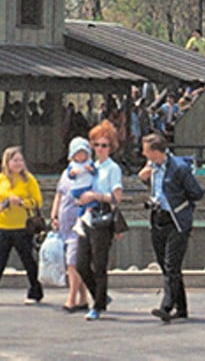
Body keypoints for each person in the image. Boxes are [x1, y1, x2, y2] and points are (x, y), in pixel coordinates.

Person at [138, 132, 205, 323]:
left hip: (176, 221)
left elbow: (197, 193)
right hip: (158, 219)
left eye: (146, 151)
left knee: (171, 264)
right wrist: (144, 178)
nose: (144, 155)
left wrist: (182, 206)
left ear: (155, 151)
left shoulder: (179, 168)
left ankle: (166, 306)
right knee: (166, 265)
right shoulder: (152, 168)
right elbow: (155, 187)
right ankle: (182, 308)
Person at [0, 145, 44, 305]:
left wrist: (21, 202)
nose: (18, 163)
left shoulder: (29, 180)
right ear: (7, 162)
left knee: (28, 261)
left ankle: (35, 292)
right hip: (2, 227)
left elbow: (37, 202)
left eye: (20, 160)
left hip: (22, 228)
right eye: (15, 160)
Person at [75, 120, 124, 321]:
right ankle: (99, 295)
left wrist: (96, 196)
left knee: (99, 263)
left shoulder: (113, 169)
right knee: (81, 263)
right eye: (96, 145)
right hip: (86, 216)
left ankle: (98, 305)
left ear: (110, 147)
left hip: (102, 217)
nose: (100, 149)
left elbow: (116, 197)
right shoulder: (89, 166)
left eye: (104, 145)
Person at [52, 137, 94, 313]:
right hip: (65, 222)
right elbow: (59, 194)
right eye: (77, 153)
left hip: (81, 221)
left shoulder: (91, 171)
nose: (81, 156)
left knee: (73, 261)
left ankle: (71, 298)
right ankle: (83, 297)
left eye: (83, 152)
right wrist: (54, 214)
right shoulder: (67, 172)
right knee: (75, 260)